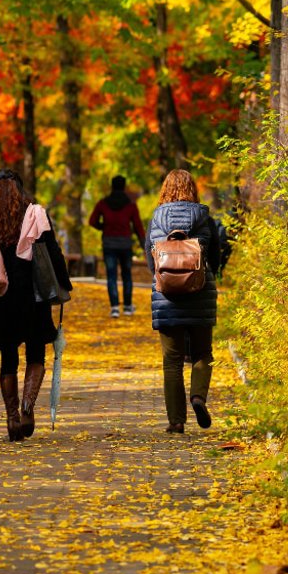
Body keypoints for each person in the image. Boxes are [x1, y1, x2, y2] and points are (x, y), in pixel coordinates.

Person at [0, 169, 72, 442]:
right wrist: (63, 284)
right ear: (21, 190)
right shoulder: (36, 214)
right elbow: (52, 251)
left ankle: (11, 417)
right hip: (34, 295)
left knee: (8, 357)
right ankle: (27, 408)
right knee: (36, 353)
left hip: (3, 297)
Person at [144, 169, 218, 434]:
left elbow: (148, 256)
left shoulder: (156, 218)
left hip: (167, 296)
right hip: (200, 291)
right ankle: (198, 396)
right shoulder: (204, 216)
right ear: (192, 188)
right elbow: (216, 254)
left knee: (172, 361)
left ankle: (176, 421)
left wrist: (163, 279)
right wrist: (211, 274)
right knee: (202, 353)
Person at [88, 175, 145, 317]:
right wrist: (143, 243)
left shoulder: (103, 203)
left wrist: (103, 227)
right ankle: (127, 306)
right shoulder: (131, 205)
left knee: (111, 276)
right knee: (127, 275)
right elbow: (138, 226)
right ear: (124, 187)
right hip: (125, 244)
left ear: (112, 186)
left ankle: (114, 307)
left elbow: (92, 221)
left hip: (109, 244)